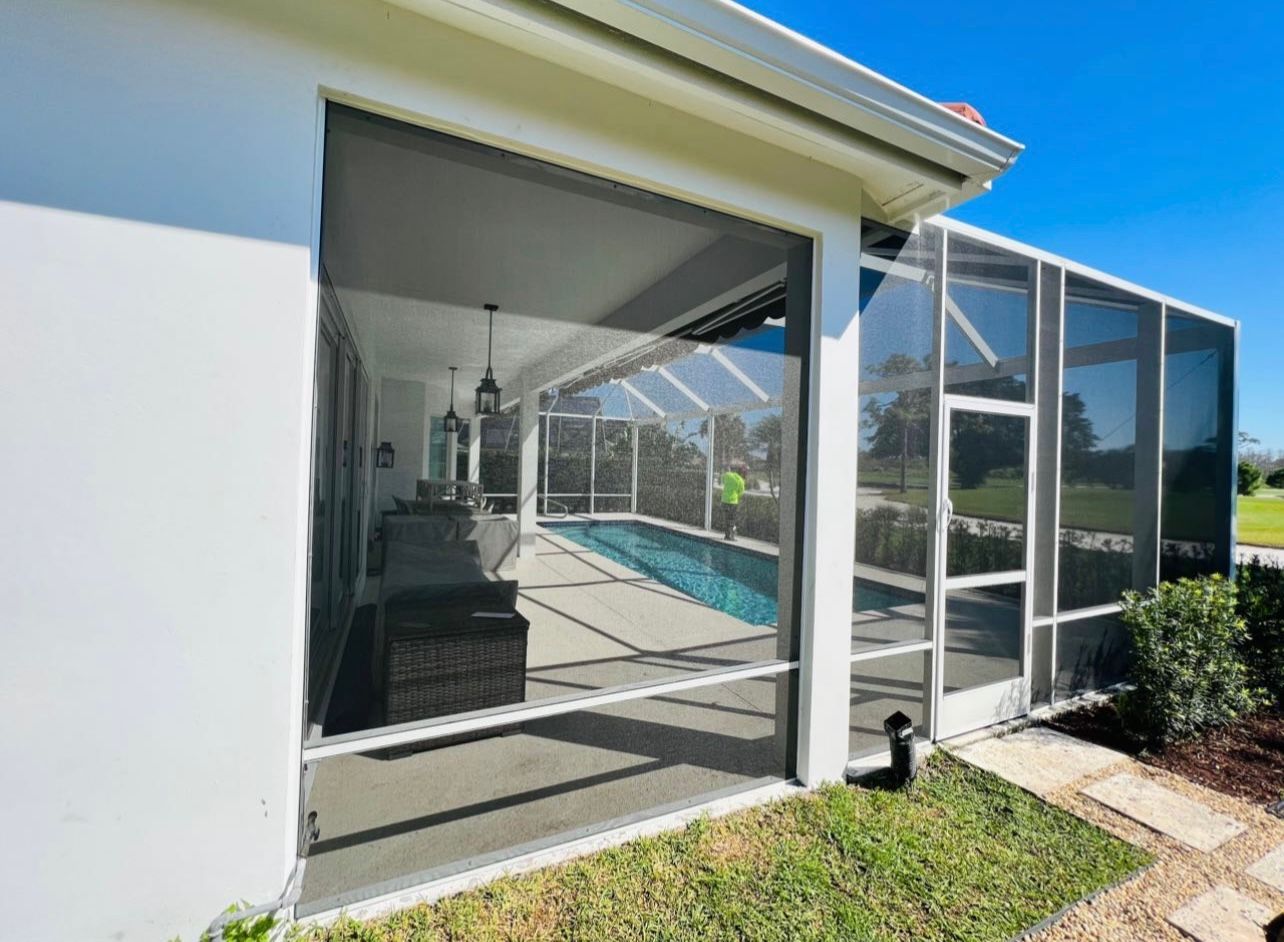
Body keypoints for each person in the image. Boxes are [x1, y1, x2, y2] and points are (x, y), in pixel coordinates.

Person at [721, 462, 746, 541]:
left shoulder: (728, 475)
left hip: (724, 501)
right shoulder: (740, 480)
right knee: (731, 519)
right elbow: (741, 492)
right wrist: (736, 497)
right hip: (733, 502)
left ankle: (727, 535)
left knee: (726, 518)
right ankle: (730, 536)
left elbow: (722, 479)